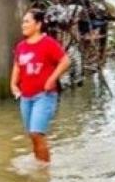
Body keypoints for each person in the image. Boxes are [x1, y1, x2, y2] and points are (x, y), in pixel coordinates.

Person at [10, 9, 70, 164]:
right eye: (23, 21)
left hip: (44, 95)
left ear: (38, 25)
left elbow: (65, 61)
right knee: (32, 135)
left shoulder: (48, 43)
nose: (23, 25)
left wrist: (52, 79)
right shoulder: (21, 46)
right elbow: (17, 65)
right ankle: (40, 164)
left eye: (27, 21)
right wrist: (13, 84)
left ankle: (45, 170)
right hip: (26, 96)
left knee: (37, 133)